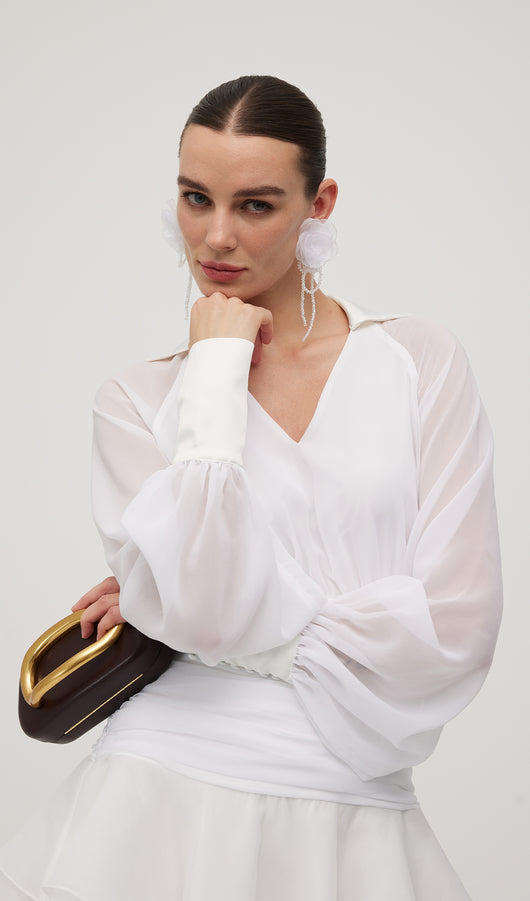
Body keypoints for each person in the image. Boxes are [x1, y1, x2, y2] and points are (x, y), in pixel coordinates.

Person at [0, 75, 502, 901]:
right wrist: (215, 369)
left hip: (356, 804)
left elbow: (456, 632)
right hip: (161, 785)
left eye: (256, 205)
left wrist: (194, 608)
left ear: (319, 204)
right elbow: (203, 608)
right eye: (195, 197)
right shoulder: (138, 401)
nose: (216, 236)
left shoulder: (419, 362)